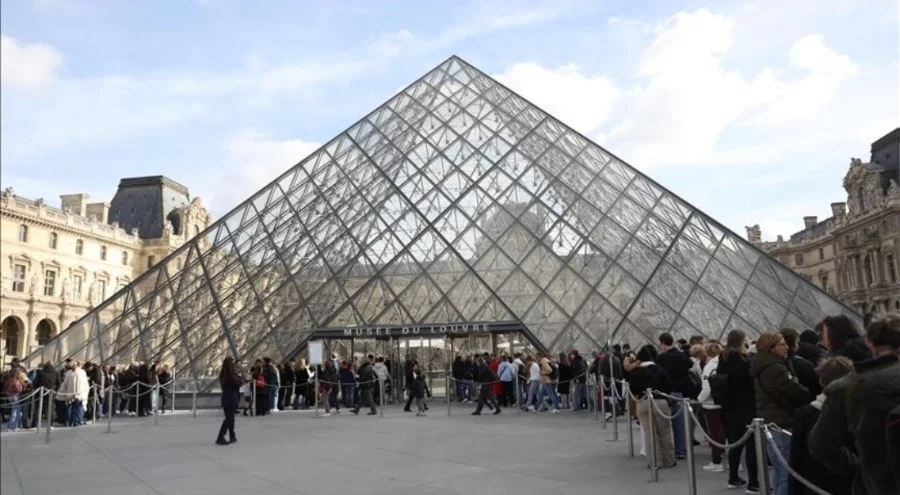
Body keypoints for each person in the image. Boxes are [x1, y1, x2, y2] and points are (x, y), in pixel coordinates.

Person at [810, 313, 900, 495]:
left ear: (870, 343)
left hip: (877, 484)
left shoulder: (844, 388)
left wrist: (860, 468)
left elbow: (821, 445)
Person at [750, 332, 810, 495]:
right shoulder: (775, 368)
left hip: (771, 421)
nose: (787, 347)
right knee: (786, 474)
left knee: (779, 471)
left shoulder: (762, 365)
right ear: (770, 347)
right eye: (782, 344)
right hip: (782, 422)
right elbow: (798, 392)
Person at [790, 357, 854, 495]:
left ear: (821, 381)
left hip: (814, 481)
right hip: (849, 481)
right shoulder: (857, 412)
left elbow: (797, 459)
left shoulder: (807, 414)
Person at [716, 330, 760, 493]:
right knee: (751, 447)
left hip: (728, 409)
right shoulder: (744, 362)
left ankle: (733, 478)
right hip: (746, 407)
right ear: (742, 341)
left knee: (735, 446)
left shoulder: (723, 359)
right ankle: (753, 482)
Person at [625, 344, 676, 469]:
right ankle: (668, 459)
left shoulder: (636, 371)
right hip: (660, 402)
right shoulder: (659, 369)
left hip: (643, 402)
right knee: (665, 432)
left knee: (649, 433)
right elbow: (669, 386)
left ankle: (654, 462)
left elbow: (633, 390)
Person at [655, 332, 693, 459]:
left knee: (664, 424)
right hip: (680, 391)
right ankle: (681, 449)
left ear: (662, 343)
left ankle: (667, 450)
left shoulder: (662, 358)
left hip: (665, 392)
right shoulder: (682, 356)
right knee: (680, 423)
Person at [697, 341, 726, 473]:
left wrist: (699, 400)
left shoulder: (709, 366)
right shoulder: (724, 364)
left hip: (711, 404)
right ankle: (732, 461)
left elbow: (706, 388)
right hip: (724, 403)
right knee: (726, 433)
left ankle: (717, 461)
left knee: (714, 434)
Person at [216, 357, 242, 446]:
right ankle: (220, 436)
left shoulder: (223, 374)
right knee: (229, 418)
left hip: (225, 398)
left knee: (231, 418)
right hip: (232, 398)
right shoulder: (231, 375)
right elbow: (238, 383)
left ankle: (232, 435)